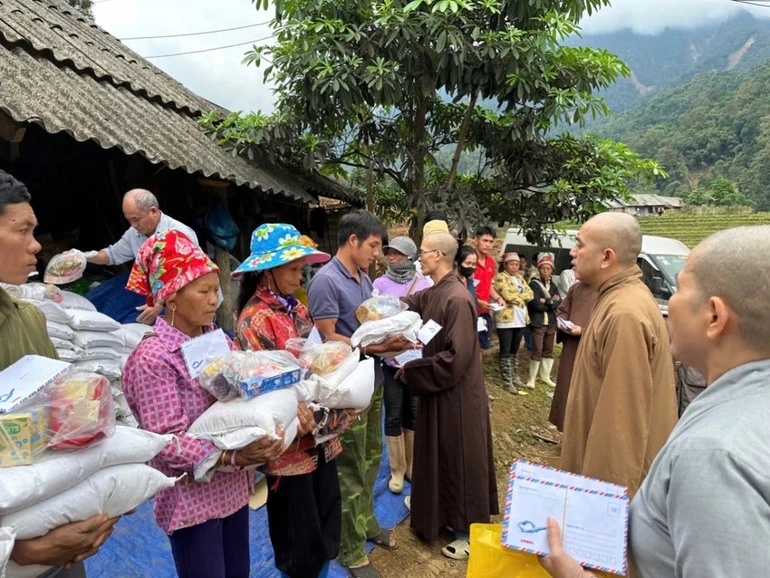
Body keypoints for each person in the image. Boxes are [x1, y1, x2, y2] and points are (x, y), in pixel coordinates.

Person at [540, 225, 770, 578]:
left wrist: (593, 537)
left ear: (714, 317)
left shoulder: (714, 456)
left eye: (678, 289)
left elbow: (622, 429)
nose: (665, 305)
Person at [122, 230, 286, 578]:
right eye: (204, 291)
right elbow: (166, 440)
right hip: (191, 501)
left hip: (232, 489)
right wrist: (232, 456)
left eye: (217, 289)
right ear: (172, 298)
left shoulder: (217, 339)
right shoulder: (154, 358)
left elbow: (241, 391)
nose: (216, 300)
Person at [0, 170, 120, 578]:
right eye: (24, 231)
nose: (37, 245)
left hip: (60, 544)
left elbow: (58, 415)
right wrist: (20, 549)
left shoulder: (30, 319)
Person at [233, 223, 359, 578]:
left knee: (327, 522)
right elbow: (264, 392)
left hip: (323, 440)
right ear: (267, 271)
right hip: (290, 452)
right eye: (293, 269)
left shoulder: (297, 311)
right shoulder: (253, 321)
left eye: (301, 268)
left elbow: (319, 360)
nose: (300, 277)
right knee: (298, 540)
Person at [307, 210, 411, 578]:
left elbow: (366, 326)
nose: (377, 254)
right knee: (349, 469)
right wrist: (375, 345)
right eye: (372, 245)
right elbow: (327, 340)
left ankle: (365, 522)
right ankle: (350, 551)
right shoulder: (326, 281)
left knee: (371, 458)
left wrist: (387, 340)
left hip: (374, 382)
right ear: (352, 240)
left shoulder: (363, 278)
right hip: (349, 389)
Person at [397, 232, 498, 561]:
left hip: (456, 394)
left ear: (438, 255)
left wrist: (413, 371)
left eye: (423, 253)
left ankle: (465, 530)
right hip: (438, 389)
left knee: (458, 457)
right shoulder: (436, 291)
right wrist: (384, 308)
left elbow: (456, 357)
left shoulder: (457, 298)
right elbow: (414, 305)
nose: (419, 259)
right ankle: (437, 513)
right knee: (437, 452)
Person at [561, 212, 677, 498]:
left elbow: (621, 427)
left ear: (606, 257)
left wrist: (602, 507)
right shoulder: (614, 298)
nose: (572, 252)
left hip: (611, 492)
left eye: (580, 244)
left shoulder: (625, 312)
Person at [85, 189, 198, 324]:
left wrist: (160, 303)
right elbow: (113, 254)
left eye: (136, 219)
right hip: (156, 295)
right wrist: (85, 257)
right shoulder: (134, 232)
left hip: (188, 298)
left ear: (153, 211)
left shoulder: (179, 234)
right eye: (129, 220)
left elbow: (188, 278)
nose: (134, 225)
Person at [372, 236, 431, 495]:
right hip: (390, 359)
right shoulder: (380, 283)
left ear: (409, 257)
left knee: (414, 410)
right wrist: (388, 349)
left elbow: (430, 321)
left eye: (397, 254)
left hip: (416, 358)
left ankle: (413, 466)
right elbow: (373, 321)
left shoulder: (425, 283)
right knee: (393, 411)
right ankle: (397, 469)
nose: (391, 258)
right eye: (389, 253)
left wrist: (422, 346)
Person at [549, 281, 598, 432]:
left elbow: (607, 324)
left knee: (587, 393)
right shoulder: (576, 288)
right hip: (571, 347)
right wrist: (562, 322)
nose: (573, 261)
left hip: (592, 349)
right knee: (567, 387)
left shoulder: (607, 290)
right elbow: (563, 309)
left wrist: (583, 331)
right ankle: (566, 434)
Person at [492, 253, 534, 395]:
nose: (515, 266)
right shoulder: (500, 278)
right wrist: (520, 298)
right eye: (512, 264)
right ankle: (507, 380)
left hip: (521, 318)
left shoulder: (519, 278)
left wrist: (518, 297)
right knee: (505, 349)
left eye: (517, 264)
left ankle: (515, 376)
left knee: (515, 349)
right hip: (506, 319)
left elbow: (531, 294)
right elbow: (507, 296)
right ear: (505, 265)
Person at [525, 253, 560, 389]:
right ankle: (531, 378)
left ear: (552, 269)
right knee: (537, 349)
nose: (546, 271)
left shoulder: (553, 285)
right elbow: (535, 304)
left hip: (550, 322)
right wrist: (551, 302)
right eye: (543, 268)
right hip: (538, 322)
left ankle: (545, 376)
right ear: (538, 269)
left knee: (548, 349)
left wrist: (546, 301)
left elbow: (558, 303)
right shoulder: (534, 284)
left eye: (548, 268)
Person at [473, 226, 505, 350]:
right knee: (469, 347)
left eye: (491, 242)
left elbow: (488, 286)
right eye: (484, 241)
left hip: (485, 312)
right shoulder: (469, 260)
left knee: (482, 347)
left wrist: (498, 298)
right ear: (476, 240)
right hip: (470, 311)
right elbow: (462, 287)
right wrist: (477, 301)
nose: (488, 245)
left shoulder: (490, 262)